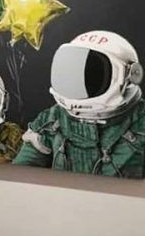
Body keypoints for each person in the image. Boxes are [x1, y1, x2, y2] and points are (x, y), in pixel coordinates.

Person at [13, 31, 145, 177]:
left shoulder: (140, 122)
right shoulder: (53, 118)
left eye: (94, 73)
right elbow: (20, 174)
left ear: (131, 75)